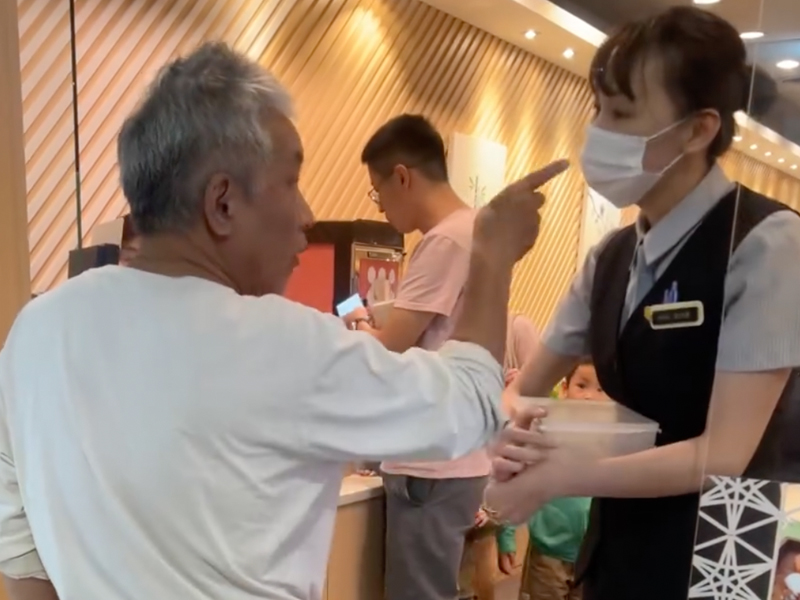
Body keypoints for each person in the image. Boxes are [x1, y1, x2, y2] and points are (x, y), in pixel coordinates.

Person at [0, 43, 566, 600]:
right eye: (291, 182)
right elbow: (470, 405)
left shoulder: (36, 331)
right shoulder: (283, 344)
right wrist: (491, 255)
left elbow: (19, 541)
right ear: (222, 203)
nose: (307, 216)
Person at [485, 6, 800, 600]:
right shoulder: (611, 256)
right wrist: (513, 432)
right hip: (619, 543)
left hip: (720, 551)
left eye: (623, 113)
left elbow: (723, 454)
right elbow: (524, 388)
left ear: (697, 130)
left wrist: (563, 476)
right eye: (598, 109)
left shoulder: (767, 244)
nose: (599, 131)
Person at [345, 114, 503, 600]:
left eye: (378, 191)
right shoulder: (478, 229)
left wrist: (352, 327)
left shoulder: (444, 240)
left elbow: (392, 346)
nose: (381, 205)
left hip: (429, 467)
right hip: (458, 455)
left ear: (402, 177)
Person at [496, 359, 606, 600]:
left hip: (592, 558)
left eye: (601, 389)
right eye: (582, 386)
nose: (590, 396)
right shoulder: (546, 434)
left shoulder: (613, 441)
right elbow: (518, 483)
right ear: (565, 389)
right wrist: (506, 537)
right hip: (548, 555)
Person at [459, 314, 539, 600]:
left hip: (489, 483)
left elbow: (540, 407)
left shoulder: (516, 328)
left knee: (479, 575)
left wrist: (516, 392)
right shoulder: (449, 333)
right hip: (454, 476)